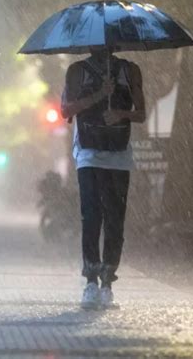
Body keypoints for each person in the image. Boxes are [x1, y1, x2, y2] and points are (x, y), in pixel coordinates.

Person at [61, 48, 146, 309]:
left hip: (118, 156)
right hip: (88, 154)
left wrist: (120, 113)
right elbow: (66, 110)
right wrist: (99, 96)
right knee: (91, 215)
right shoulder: (77, 71)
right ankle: (90, 280)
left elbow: (141, 113)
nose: (103, 46)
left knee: (115, 218)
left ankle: (108, 280)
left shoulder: (129, 70)